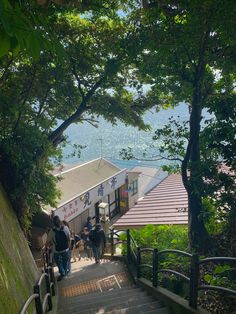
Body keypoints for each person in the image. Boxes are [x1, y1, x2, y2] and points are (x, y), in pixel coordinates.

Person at [46, 216, 70, 281]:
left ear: (53, 223)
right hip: (65, 249)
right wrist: (69, 247)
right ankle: (64, 271)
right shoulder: (66, 228)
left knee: (58, 262)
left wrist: (47, 248)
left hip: (56, 250)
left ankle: (62, 272)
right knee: (65, 261)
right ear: (60, 221)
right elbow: (68, 238)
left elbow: (48, 242)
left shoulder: (52, 231)